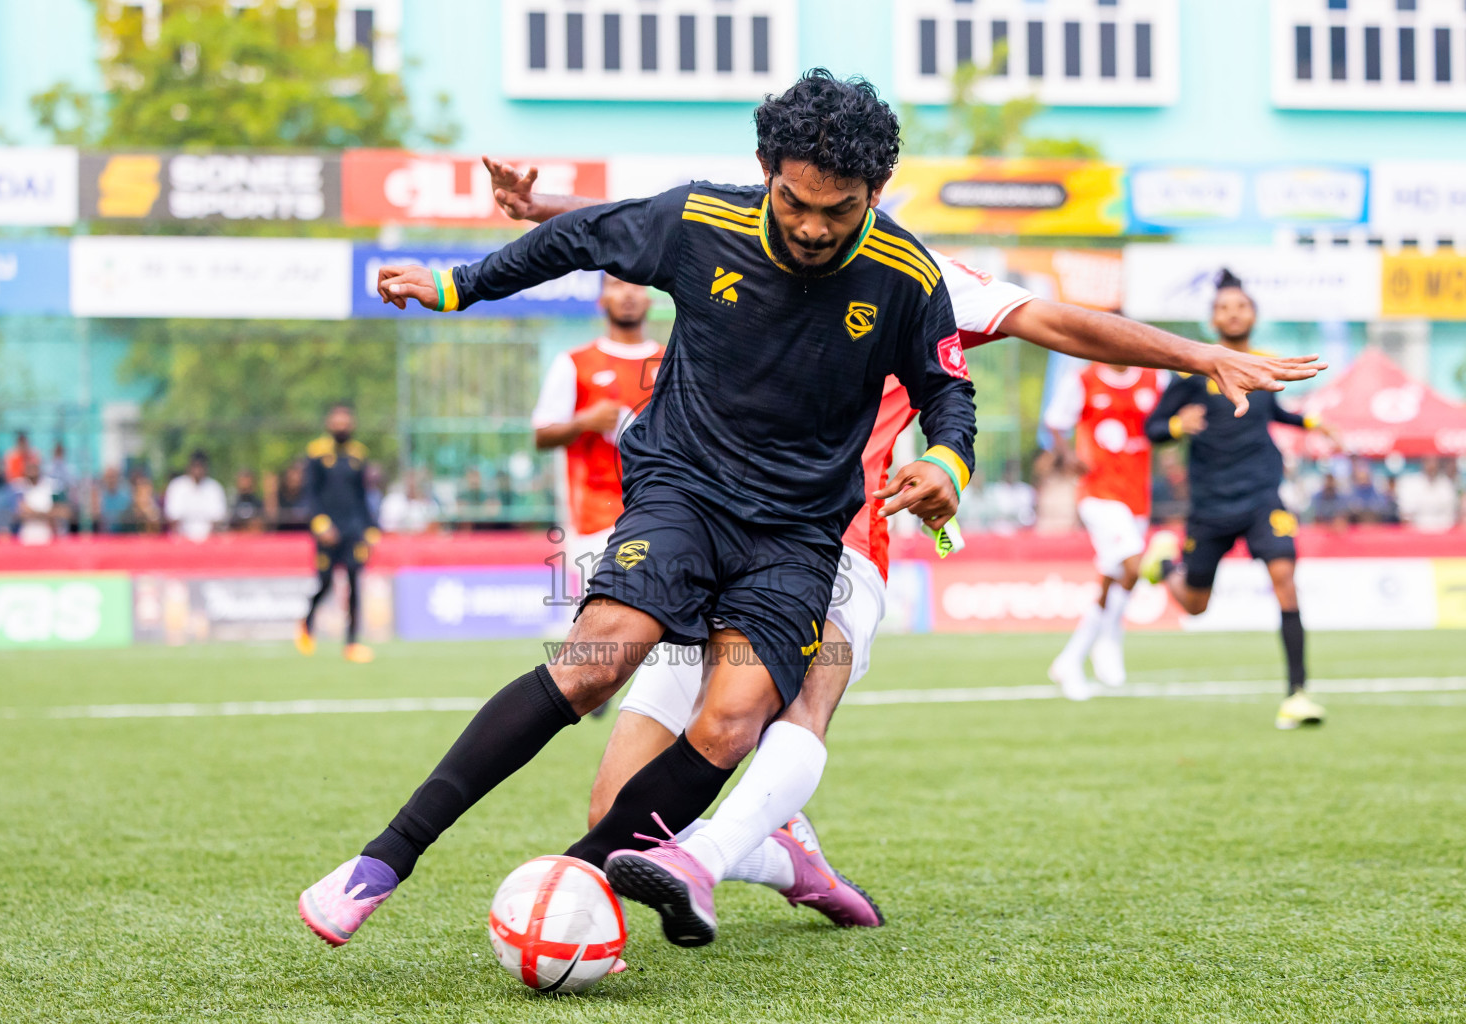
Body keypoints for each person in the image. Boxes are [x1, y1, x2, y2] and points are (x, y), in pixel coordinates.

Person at [298, 72, 1325, 952]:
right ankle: (389, 859)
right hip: (684, 495)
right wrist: (461, 278)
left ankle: (617, 877)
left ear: (877, 192)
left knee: (741, 720)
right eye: (795, 202)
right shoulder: (712, 219)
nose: (813, 227)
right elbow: (608, 231)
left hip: (816, 535)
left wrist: (961, 460)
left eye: (839, 208)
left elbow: (983, 372)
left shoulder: (917, 275)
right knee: (597, 663)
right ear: (767, 175)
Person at [1143, 270, 1337, 731]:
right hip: (1210, 502)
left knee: (1285, 578)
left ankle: (1297, 696)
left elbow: (1275, 410)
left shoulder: (1265, 364)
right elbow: (1152, 428)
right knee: (1195, 605)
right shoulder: (1191, 371)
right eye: (1224, 308)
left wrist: (1312, 424)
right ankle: (1167, 566)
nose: (1233, 314)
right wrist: (1177, 426)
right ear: (1213, 320)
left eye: (1241, 306)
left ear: (1253, 315)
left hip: (1261, 495)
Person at [1043, 362, 1163, 699]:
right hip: (1098, 493)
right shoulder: (1084, 379)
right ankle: (1109, 641)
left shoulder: (1156, 378)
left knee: (1114, 577)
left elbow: (1167, 422)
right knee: (1133, 565)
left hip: (1137, 495)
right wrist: (1067, 456)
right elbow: (1055, 422)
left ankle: (1070, 659)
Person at [531, 273, 665, 576]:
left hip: (661, 515)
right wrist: (584, 422)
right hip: (597, 520)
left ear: (649, 298)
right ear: (601, 299)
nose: (627, 293)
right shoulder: (574, 362)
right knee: (604, 603)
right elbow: (542, 434)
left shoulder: (670, 363)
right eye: (617, 285)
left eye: (635, 284)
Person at [295, 403, 381, 664]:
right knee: (325, 582)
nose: (342, 426)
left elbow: (362, 495)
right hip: (327, 529)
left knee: (354, 582)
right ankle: (307, 624)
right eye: (337, 421)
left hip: (353, 529)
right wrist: (320, 524)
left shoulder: (358, 454)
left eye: (346, 422)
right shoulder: (316, 452)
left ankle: (352, 642)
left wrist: (370, 529)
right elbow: (310, 493)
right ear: (329, 424)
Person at [163, 451, 228, 542]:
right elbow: (172, 517)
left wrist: (206, 541)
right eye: (195, 466)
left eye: (201, 466)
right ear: (188, 467)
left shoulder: (214, 488)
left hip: (210, 541)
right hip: (180, 540)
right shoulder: (177, 486)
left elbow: (218, 519)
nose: (198, 470)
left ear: (206, 468)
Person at [1396, 456, 1459, 532]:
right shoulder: (1410, 483)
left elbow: (1452, 514)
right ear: (1423, 462)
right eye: (1429, 461)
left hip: (1443, 531)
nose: (1432, 465)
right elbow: (1405, 515)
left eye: (1434, 461)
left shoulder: (1446, 484)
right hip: (1416, 532)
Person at [93, 466, 133, 534]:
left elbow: (128, 518)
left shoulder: (126, 497)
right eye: (108, 477)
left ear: (118, 478)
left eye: (113, 477)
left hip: (122, 534)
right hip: (103, 535)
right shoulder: (99, 496)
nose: (111, 480)